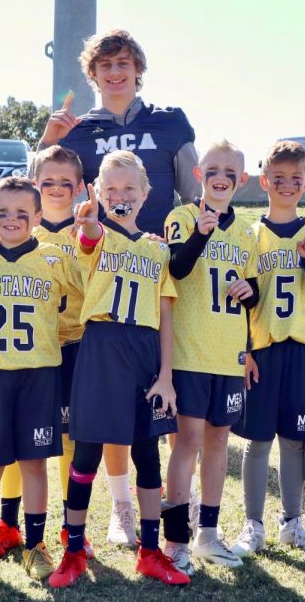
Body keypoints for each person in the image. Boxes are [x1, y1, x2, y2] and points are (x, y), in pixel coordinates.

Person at [36, 28, 200, 546]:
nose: (114, 72)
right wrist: (48, 140)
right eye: (104, 65)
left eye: (123, 62)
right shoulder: (79, 130)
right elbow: (40, 188)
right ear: (92, 74)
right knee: (108, 403)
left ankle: (180, 504)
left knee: (161, 387)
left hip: (162, 264)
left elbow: (197, 197)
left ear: (138, 68)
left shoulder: (170, 122)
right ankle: (122, 506)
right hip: (102, 272)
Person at [49, 151, 189, 588]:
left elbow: (166, 316)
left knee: (147, 454)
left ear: (147, 193)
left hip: (144, 350)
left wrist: (165, 375)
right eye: (110, 189)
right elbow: (88, 237)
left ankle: (150, 551)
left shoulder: (157, 250)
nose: (120, 195)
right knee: (86, 453)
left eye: (129, 188)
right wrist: (89, 221)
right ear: (97, 194)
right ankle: (73, 551)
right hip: (102, 346)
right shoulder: (97, 236)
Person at [0, 177, 80, 583]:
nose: (11, 220)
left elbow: (85, 286)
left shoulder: (52, 257)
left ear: (37, 217)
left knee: (34, 463)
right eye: (2, 213)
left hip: (38, 373)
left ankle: (34, 545)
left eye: (21, 213)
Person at [229, 140, 305, 560]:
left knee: (294, 440)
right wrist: (245, 350)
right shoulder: (251, 236)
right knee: (257, 441)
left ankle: (292, 522)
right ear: (263, 180)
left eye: (295, 179)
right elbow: (245, 299)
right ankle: (253, 524)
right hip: (264, 348)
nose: (286, 185)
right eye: (278, 178)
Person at [159, 140, 258, 573]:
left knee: (219, 441)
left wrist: (248, 291)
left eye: (229, 171)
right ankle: (175, 539)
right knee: (187, 443)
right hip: (188, 350)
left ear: (242, 179)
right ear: (199, 175)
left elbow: (253, 293)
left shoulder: (247, 232)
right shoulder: (181, 217)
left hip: (228, 353)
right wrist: (202, 230)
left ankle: (209, 535)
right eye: (212, 169)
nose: (221, 176)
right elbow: (178, 269)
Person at [0, 145, 94, 561]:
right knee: (21, 442)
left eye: (64, 183)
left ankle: (73, 530)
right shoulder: (18, 230)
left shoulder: (90, 231)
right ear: (35, 184)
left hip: (74, 345)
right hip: (29, 351)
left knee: (69, 440)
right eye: (47, 181)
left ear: (80, 188)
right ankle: (8, 525)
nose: (55, 189)